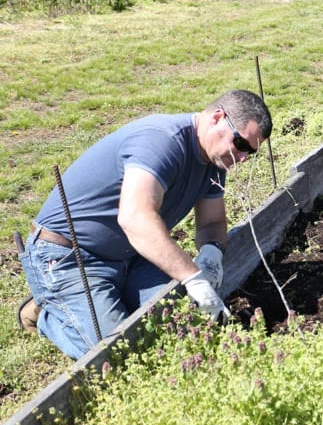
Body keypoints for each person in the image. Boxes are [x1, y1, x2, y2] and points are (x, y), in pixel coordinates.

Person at [17, 89, 272, 360]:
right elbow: (135, 218)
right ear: (218, 118)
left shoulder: (216, 160)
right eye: (241, 145)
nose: (242, 158)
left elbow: (211, 221)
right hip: (69, 255)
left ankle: (99, 300)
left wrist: (212, 254)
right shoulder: (163, 142)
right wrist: (193, 278)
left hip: (132, 255)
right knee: (119, 355)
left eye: (251, 153)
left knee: (175, 325)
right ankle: (48, 314)